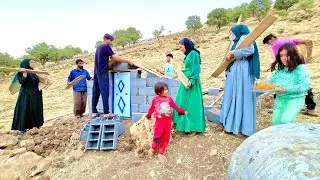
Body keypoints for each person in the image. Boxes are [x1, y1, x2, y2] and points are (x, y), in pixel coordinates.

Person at [219, 24, 260, 136]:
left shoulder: (245, 37)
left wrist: (233, 53)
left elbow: (250, 50)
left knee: (240, 95)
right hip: (236, 70)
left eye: (231, 32)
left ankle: (240, 126)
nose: (230, 35)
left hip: (242, 70)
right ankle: (231, 124)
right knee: (233, 95)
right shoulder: (237, 41)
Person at [263, 34, 317, 116]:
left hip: (288, 65)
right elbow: (302, 42)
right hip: (299, 63)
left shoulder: (275, 45)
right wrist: (308, 56)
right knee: (304, 85)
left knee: (279, 84)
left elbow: (278, 58)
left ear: (271, 39)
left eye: (268, 42)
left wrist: (273, 66)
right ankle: (311, 109)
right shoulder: (286, 39)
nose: (269, 44)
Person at [92, 34, 134, 118]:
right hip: (103, 72)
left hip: (96, 73)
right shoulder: (106, 47)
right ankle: (106, 113)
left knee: (95, 92)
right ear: (106, 39)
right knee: (105, 92)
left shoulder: (98, 48)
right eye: (110, 40)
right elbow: (115, 58)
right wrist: (127, 61)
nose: (111, 42)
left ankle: (94, 112)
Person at [268, 43, 310, 125]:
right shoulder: (280, 70)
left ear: (293, 55)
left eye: (287, 55)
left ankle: (290, 136)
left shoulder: (300, 69)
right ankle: (280, 137)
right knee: (275, 123)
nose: (284, 58)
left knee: (285, 121)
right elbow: (270, 82)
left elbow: (305, 86)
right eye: (281, 55)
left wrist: (285, 89)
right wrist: (263, 86)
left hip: (295, 98)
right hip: (280, 99)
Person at [146, 82, 187, 163]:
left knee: (166, 138)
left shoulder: (169, 99)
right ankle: (153, 148)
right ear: (159, 92)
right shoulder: (155, 99)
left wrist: (183, 111)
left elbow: (176, 107)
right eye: (164, 90)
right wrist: (148, 115)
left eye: (166, 89)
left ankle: (161, 152)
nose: (167, 91)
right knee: (157, 136)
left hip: (167, 123)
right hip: (159, 123)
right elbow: (151, 109)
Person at [172, 38, 206, 134]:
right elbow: (188, 68)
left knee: (192, 103)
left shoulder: (194, 54)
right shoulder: (189, 54)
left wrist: (191, 81)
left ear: (186, 45)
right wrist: (179, 74)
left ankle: (193, 127)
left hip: (191, 82)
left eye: (181, 47)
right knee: (183, 101)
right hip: (185, 80)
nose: (180, 49)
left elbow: (196, 69)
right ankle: (183, 125)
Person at [11, 58, 44, 133]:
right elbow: (21, 82)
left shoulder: (33, 72)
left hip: (35, 94)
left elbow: (37, 81)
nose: (33, 63)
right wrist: (24, 75)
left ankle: (35, 126)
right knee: (25, 110)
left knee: (35, 109)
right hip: (26, 94)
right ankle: (23, 128)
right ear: (26, 63)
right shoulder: (21, 72)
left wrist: (44, 80)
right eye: (31, 62)